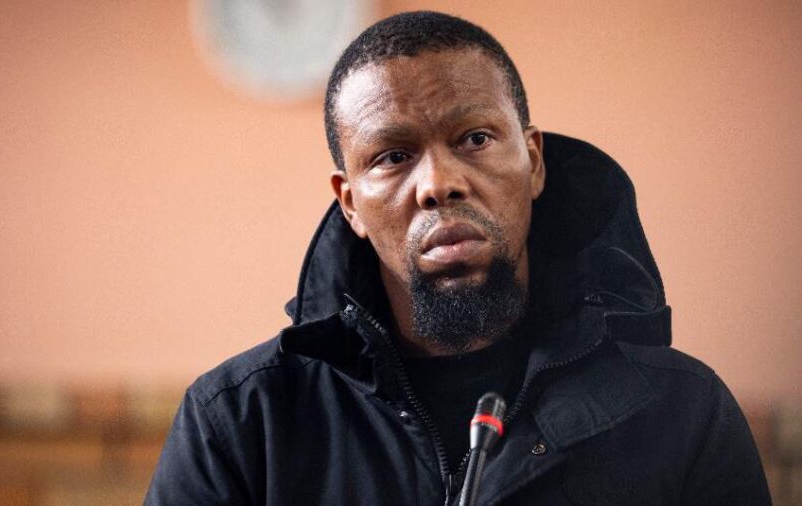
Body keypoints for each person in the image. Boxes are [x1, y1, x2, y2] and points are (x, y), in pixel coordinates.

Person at [145, 11, 771, 505]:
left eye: (474, 138)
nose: (439, 183)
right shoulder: (239, 423)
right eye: (392, 156)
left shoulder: (680, 411)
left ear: (533, 162)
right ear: (350, 203)